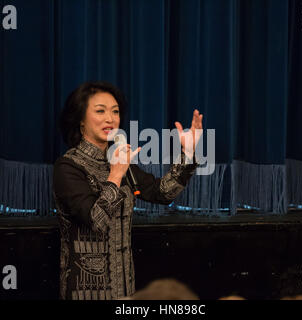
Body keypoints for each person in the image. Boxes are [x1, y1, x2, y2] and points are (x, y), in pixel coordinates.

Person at [53, 81, 204, 300]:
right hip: (85, 290)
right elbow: (96, 220)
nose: (110, 118)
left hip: (125, 287)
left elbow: (162, 193)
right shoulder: (68, 167)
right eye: (100, 111)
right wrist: (115, 174)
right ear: (80, 120)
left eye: (115, 112)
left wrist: (188, 153)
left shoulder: (120, 162)